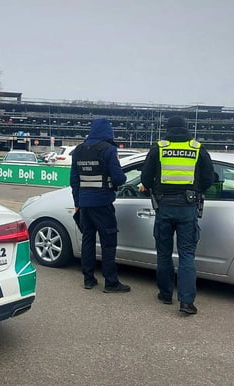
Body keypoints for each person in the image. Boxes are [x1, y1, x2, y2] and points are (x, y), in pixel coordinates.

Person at [140, 116, 215, 314]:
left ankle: (165, 294)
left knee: (163, 253)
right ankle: (186, 302)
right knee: (187, 255)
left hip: (164, 207)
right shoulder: (197, 148)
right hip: (188, 207)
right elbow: (209, 178)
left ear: (168, 129)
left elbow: (145, 179)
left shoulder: (159, 148)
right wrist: (196, 190)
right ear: (186, 129)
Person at [70, 118, 130, 293]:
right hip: (103, 203)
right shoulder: (109, 150)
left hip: (84, 204)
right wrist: (122, 180)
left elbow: (74, 180)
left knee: (88, 240)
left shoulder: (78, 150)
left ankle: (88, 279)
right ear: (108, 132)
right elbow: (119, 178)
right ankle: (111, 282)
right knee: (108, 242)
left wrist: (77, 203)